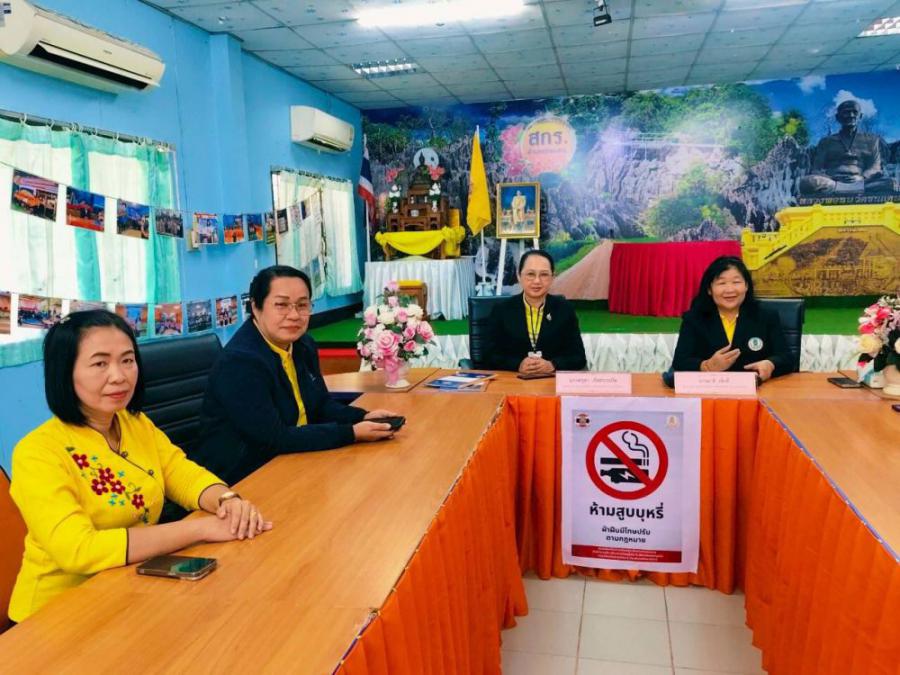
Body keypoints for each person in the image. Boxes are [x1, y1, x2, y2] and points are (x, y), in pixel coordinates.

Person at [7, 310, 271, 624]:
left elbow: (180, 472)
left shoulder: (134, 423)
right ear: (65, 372)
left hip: (131, 588)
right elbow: (79, 549)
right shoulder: (37, 452)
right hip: (55, 616)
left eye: (127, 360)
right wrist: (200, 528)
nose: (119, 376)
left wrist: (226, 500)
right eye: (100, 364)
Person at [194, 265, 399, 485]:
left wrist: (362, 417)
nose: (294, 315)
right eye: (281, 305)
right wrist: (351, 433)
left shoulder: (303, 345)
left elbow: (321, 405)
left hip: (295, 458)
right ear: (256, 307)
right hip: (244, 475)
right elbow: (273, 438)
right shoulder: (240, 362)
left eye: (302, 305)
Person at [671, 256, 791, 380]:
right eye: (721, 283)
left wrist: (770, 364)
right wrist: (706, 366)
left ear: (746, 286)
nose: (730, 290)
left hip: (756, 389)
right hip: (711, 388)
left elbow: (786, 358)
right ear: (709, 289)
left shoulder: (766, 316)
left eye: (736, 282)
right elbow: (680, 362)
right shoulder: (694, 319)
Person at [483, 250, 587, 373]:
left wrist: (552, 365)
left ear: (552, 277)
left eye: (544, 274)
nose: (537, 281)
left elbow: (578, 357)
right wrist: (517, 365)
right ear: (519, 276)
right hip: (513, 379)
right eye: (530, 274)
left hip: (551, 380)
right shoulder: (501, 310)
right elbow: (488, 355)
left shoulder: (564, 309)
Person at [798, 99, 898, 196]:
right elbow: (817, 169)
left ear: (860, 116)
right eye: (846, 112)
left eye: (855, 112)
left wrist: (862, 177)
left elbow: (875, 166)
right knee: (807, 182)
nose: (851, 115)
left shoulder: (872, 140)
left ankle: (845, 189)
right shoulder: (826, 142)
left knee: (891, 183)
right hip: (832, 182)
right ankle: (846, 188)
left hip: (862, 182)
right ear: (838, 117)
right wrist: (832, 178)